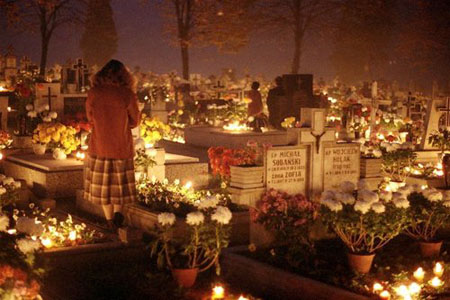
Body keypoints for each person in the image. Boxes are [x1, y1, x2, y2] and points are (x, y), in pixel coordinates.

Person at [84, 59, 141, 230]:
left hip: (99, 145)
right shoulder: (127, 94)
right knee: (119, 186)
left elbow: (90, 118)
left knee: (103, 188)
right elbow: (135, 120)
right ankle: (118, 215)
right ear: (125, 76)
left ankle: (109, 220)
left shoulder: (94, 93)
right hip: (121, 146)